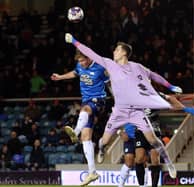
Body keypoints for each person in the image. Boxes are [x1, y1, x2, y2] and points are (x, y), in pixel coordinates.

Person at [65, 33, 182, 178]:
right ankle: (101, 150)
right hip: (119, 112)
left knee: (153, 140)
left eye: (116, 49)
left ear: (124, 53)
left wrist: (170, 86)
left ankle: (169, 163)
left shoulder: (137, 67)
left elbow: (153, 75)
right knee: (103, 141)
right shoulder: (110, 64)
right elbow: (91, 53)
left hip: (136, 111)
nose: (114, 51)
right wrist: (75, 42)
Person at [51, 50, 109, 186]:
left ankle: (75, 132)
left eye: (83, 61)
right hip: (86, 101)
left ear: (89, 58)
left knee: (85, 110)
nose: (81, 63)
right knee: (86, 137)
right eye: (79, 61)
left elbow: (110, 83)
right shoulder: (79, 66)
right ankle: (92, 172)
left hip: (98, 100)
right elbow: (74, 73)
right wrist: (60, 77)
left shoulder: (100, 68)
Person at [135, 109, 162, 187]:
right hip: (140, 131)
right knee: (139, 158)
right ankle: (142, 185)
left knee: (155, 160)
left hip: (154, 130)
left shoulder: (154, 98)